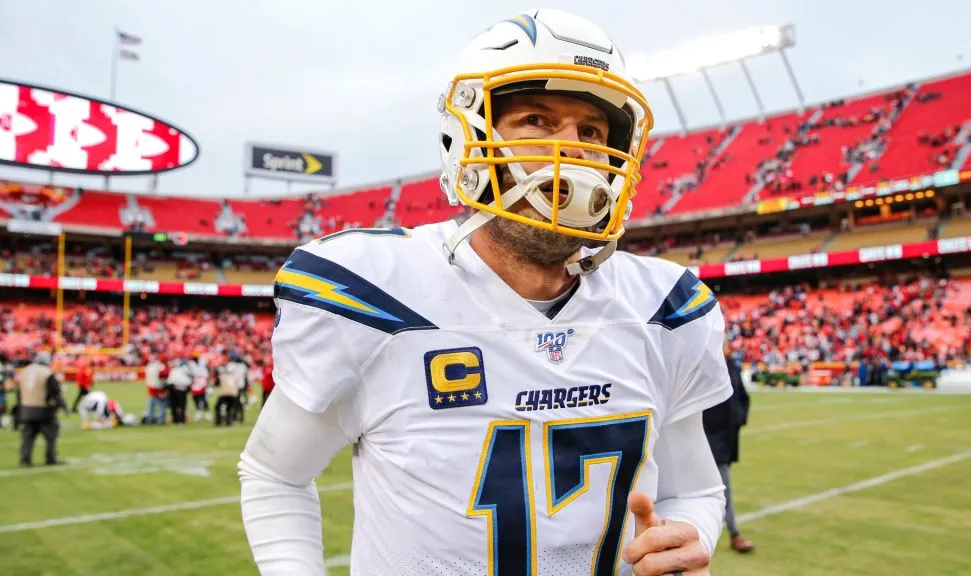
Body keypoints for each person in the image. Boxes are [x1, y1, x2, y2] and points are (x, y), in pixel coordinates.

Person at [239, 9, 731, 576]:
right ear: (467, 136)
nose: (572, 147)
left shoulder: (664, 308)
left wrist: (686, 536)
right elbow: (276, 473)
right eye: (536, 120)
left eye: (591, 131)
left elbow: (692, 487)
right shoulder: (377, 291)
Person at [703, 339, 755, 554]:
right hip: (708, 439)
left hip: (727, 438)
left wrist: (739, 419)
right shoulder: (704, 366)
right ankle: (734, 534)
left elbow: (743, 396)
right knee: (722, 489)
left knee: (717, 488)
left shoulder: (731, 365)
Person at [14, 351, 67, 467]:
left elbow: (19, 393)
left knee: (27, 436)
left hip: (26, 409)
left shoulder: (25, 371)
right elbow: (55, 392)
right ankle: (50, 458)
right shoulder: (47, 373)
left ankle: (25, 459)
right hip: (43, 410)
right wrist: (60, 406)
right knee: (51, 435)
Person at [215, 352, 248, 427]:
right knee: (237, 403)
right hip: (238, 386)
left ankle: (233, 418)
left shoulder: (231, 366)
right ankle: (237, 417)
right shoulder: (242, 366)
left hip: (232, 387)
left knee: (234, 403)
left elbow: (226, 374)